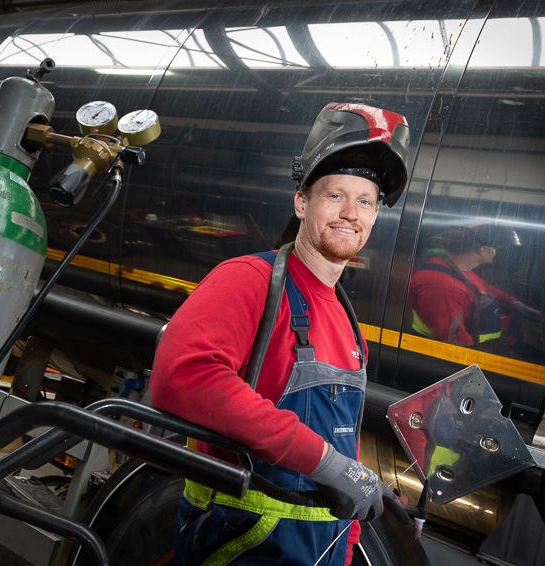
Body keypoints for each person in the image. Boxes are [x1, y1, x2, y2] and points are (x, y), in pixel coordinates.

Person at [150, 103, 410, 565]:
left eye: (366, 201)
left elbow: (341, 444)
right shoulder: (250, 279)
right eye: (336, 196)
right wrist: (326, 463)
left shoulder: (350, 324)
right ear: (302, 202)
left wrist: (347, 542)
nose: (351, 213)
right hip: (242, 543)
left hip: (317, 551)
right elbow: (183, 376)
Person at [409, 224, 541, 348]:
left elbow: (482, 288)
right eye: (496, 248)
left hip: (484, 346)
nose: (497, 252)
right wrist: (476, 357)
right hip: (471, 351)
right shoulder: (443, 286)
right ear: (482, 250)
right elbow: (454, 340)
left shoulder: (458, 269)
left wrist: (515, 303)